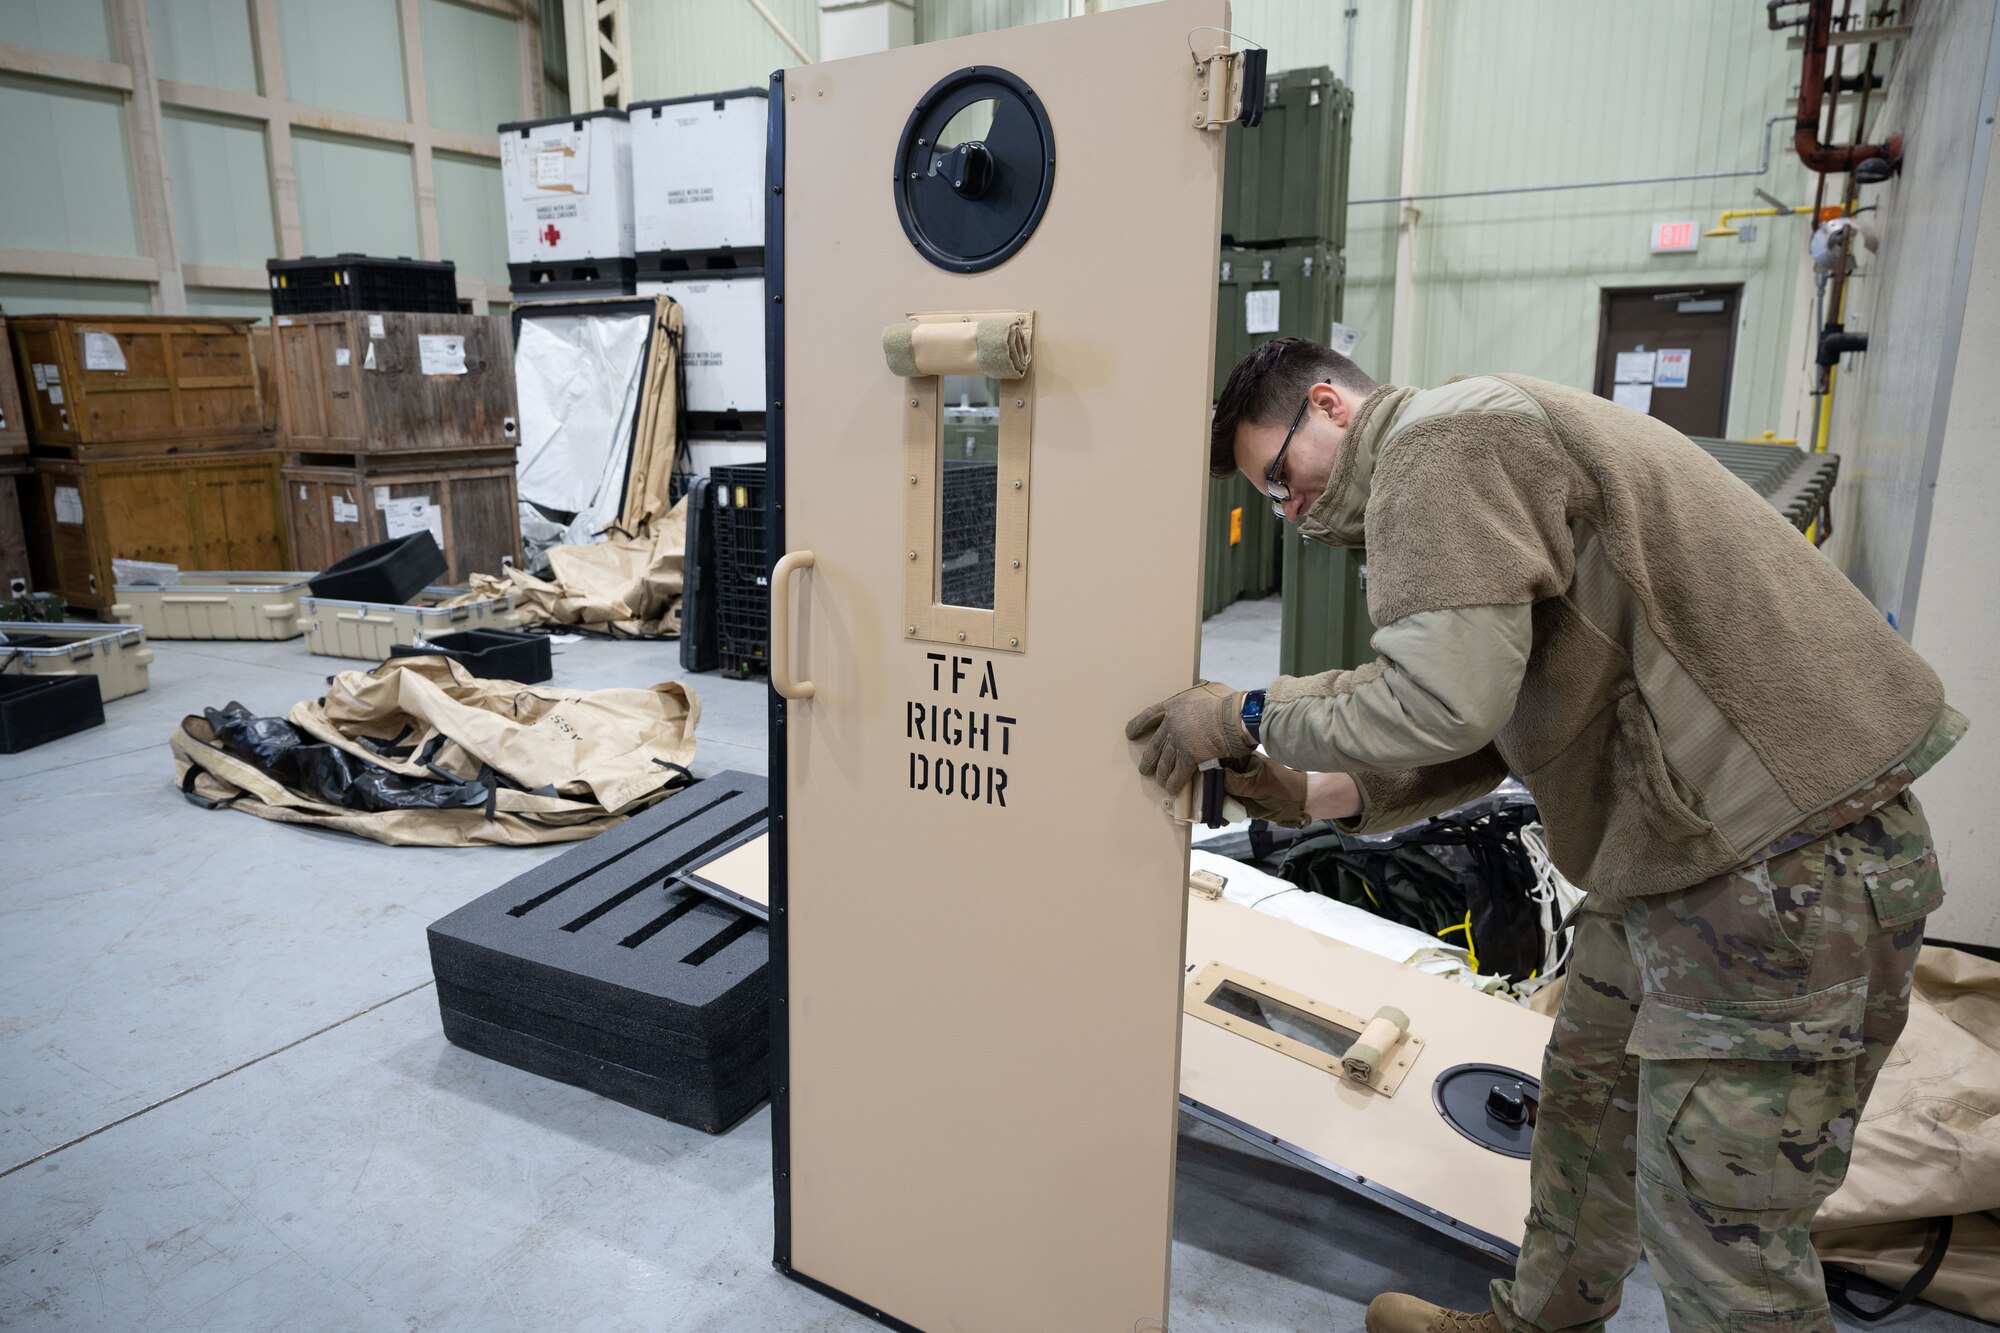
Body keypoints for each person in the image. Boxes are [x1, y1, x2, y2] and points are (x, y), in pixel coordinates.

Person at [1125, 337, 1965, 1333]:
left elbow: (1437, 701)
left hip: (1773, 871)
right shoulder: (1467, 451)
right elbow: (1496, 718)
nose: (1290, 510)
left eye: (1281, 476)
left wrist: (1244, 712)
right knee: (1582, 1117)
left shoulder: (1443, 445)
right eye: (1270, 498)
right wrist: (1295, 788)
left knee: (1717, 1232)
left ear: (1329, 405)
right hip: (1672, 861)